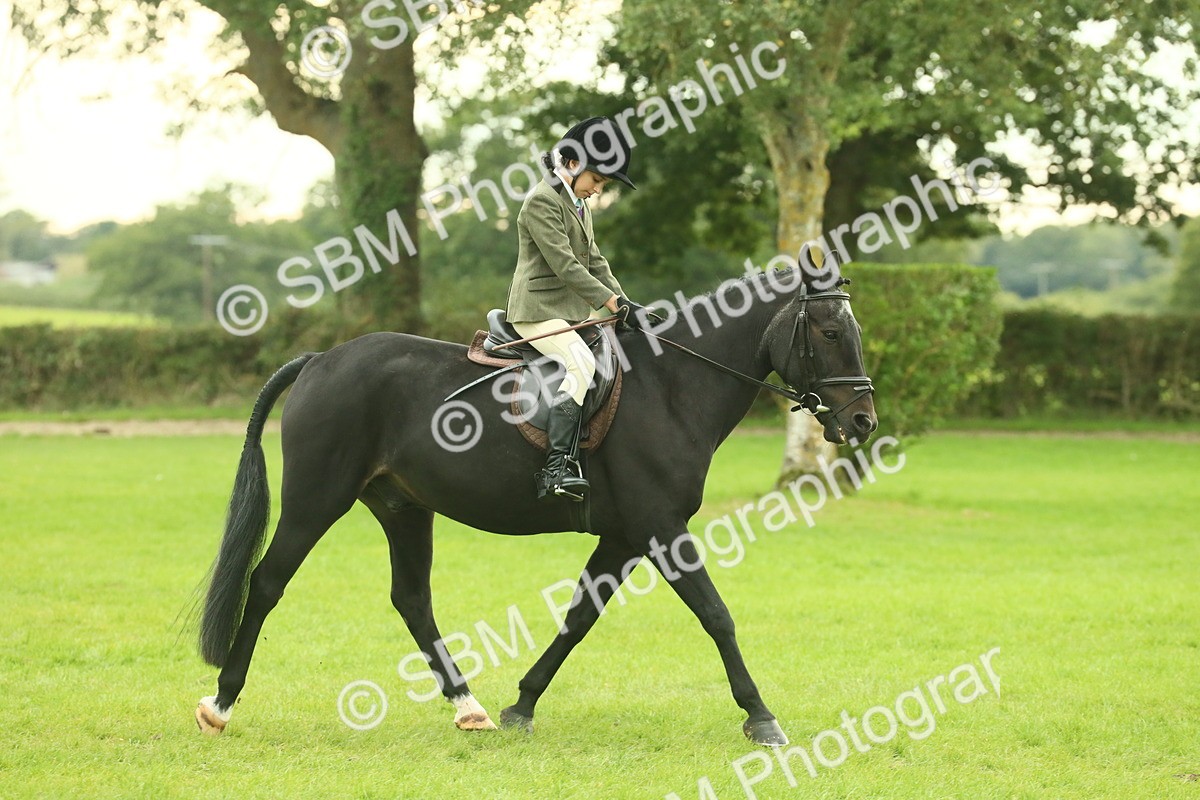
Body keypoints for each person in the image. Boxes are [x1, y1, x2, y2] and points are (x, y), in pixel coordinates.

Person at [505, 116, 653, 502]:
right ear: (572, 164)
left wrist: (625, 305)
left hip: (568, 310)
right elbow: (567, 265)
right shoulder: (541, 201)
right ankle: (554, 470)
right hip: (535, 310)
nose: (597, 190)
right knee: (581, 365)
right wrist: (611, 303)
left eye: (603, 185)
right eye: (597, 181)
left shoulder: (578, 205)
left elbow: (596, 261)